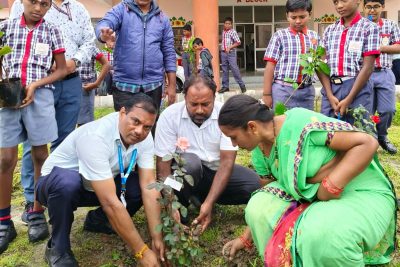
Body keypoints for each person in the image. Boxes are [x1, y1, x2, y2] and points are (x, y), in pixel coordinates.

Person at [219, 95, 396, 266]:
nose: (233, 144)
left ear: (252, 127)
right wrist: (245, 237)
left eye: (233, 137)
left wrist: (329, 185)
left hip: (357, 191)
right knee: (257, 206)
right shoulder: (259, 150)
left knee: (319, 235)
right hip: (313, 199)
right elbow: (275, 192)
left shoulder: (300, 125)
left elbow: (366, 143)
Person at [36, 94, 165, 266]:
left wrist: (157, 238)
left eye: (147, 127)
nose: (140, 131)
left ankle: (98, 220)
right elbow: (110, 202)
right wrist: (141, 252)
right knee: (66, 184)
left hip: (99, 183)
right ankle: (58, 247)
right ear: (122, 113)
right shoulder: (95, 136)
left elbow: (149, 186)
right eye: (135, 121)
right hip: (56, 184)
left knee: (136, 187)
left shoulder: (145, 137)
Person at [10, 0, 96, 224]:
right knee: (34, 143)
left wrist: (73, 62)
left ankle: (54, 192)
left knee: (65, 139)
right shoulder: (23, 6)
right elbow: (14, 44)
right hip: (35, 82)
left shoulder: (77, 8)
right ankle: (32, 197)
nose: (39, 7)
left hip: (69, 81)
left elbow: (89, 40)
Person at [0, 0, 67, 254]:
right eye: (33, 2)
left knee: (41, 154)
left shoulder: (52, 31)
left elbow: (61, 70)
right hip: (8, 100)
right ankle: (4, 220)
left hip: (40, 98)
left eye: (45, 4)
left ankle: (37, 211)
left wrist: (36, 85)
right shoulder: (5, 29)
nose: (38, 8)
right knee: (6, 159)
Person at [154, 75, 260, 232]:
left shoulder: (225, 115)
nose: (199, 110)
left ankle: (203, 198)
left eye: (205, 104)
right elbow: (163, 169)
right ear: (184, 98)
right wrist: (170, 203)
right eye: (193, 104)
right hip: (184, 176)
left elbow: (226, 163)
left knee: (255, 186)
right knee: (190, 164)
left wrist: (209, 203)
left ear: (214, 97)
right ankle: (181, 209)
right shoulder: (170, 116)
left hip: (216, 172)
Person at [95, 0, 176, 112]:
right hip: (124, 86)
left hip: (154, 86)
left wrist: (172, 86)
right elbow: (105, 23)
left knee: (150, 127)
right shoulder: (121, 9)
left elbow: (169, 52)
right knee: (125, 127)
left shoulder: (162, 18)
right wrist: (103, 34)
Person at [321, 0, 380, 124]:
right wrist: (330, 95)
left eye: (344, 0)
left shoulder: (370, 28)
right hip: (331, 88)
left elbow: (368, 67)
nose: (340, 6)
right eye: (336, 2)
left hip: (358, 88)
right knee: (328, 131)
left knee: (359, 130)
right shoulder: (329, 30)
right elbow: (322, 64)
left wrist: (349, 98)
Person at [263, 0, 328, 110]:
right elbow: (270, 66)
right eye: (293, 17)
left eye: (302, 17)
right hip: (283, 90)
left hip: (307, 91)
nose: (298, 21)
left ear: (310, 15)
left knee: (305, 124)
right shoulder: (279, 36)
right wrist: (266, 94)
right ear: (287, 16)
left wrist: (328, 91)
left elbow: (319, 67)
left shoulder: (315, 37)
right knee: (282, 123)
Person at [363, 0, 400, 154]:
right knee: (366, 111)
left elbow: (398, 46)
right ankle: (368, 140)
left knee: (388, 109)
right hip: (364, 74)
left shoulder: (390, 25)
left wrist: (378, 48)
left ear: (382, 7)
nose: (372, 10)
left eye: (376, 7)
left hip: (384, 72)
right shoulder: (360, 26)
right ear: (363, 8)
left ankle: (382, 136)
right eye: (369, 7)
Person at [77, 46, 111, 126]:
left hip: (85, 87)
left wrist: (96, 83)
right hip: (68, 84)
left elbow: (106, 64)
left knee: (85, 123)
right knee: (67, 123)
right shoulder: (67, 43)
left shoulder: (90, 46)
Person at [219, 17, 246, 94]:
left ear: (231, 24)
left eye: (229, 24)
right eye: (226, 23)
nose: (227, 25)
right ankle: (225, 86)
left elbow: (238, 42)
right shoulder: (223, 31)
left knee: (234, 69)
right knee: (224, 70)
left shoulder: (233, 32)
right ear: (224, 24)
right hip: (223, 53)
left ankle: (242, 85)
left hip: (230, 53)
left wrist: (229, 47)